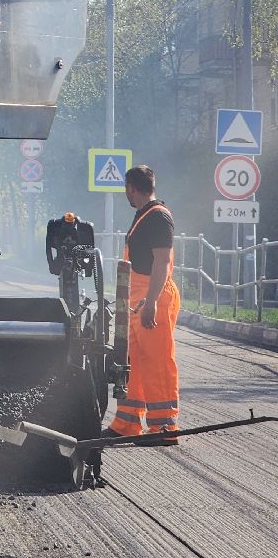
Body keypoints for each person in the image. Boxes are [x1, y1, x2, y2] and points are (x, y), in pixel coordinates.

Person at [106, 165, 180, 445]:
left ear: (131, 188)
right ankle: (127, 423)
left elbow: (162, 263)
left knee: (157, 361)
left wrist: (151, 302)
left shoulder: (158, 217)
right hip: (138, 299)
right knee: (132, 362)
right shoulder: (144, 215)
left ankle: (164, 427)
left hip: (153, 297)